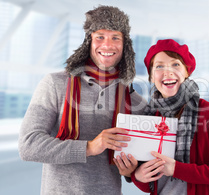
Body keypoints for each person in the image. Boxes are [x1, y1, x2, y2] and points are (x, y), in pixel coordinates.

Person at [18, 5, 146, 195]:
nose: (108, 45)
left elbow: (140, 161)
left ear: (125, 44)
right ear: (89, 41)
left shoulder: (134, 100)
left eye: (115, 38)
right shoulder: (54, 84)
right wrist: (89, 147)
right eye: (100, 36)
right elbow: (28, 145)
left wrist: (130, 171)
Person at [115, 39, 209, 195]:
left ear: (186, 72)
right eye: (159, 66)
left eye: (175, 64)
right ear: (151, 76)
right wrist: (136, 176)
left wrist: (176, 168)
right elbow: (155, 184)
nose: (167, 72)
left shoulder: (208, 113)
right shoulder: (150, 115)